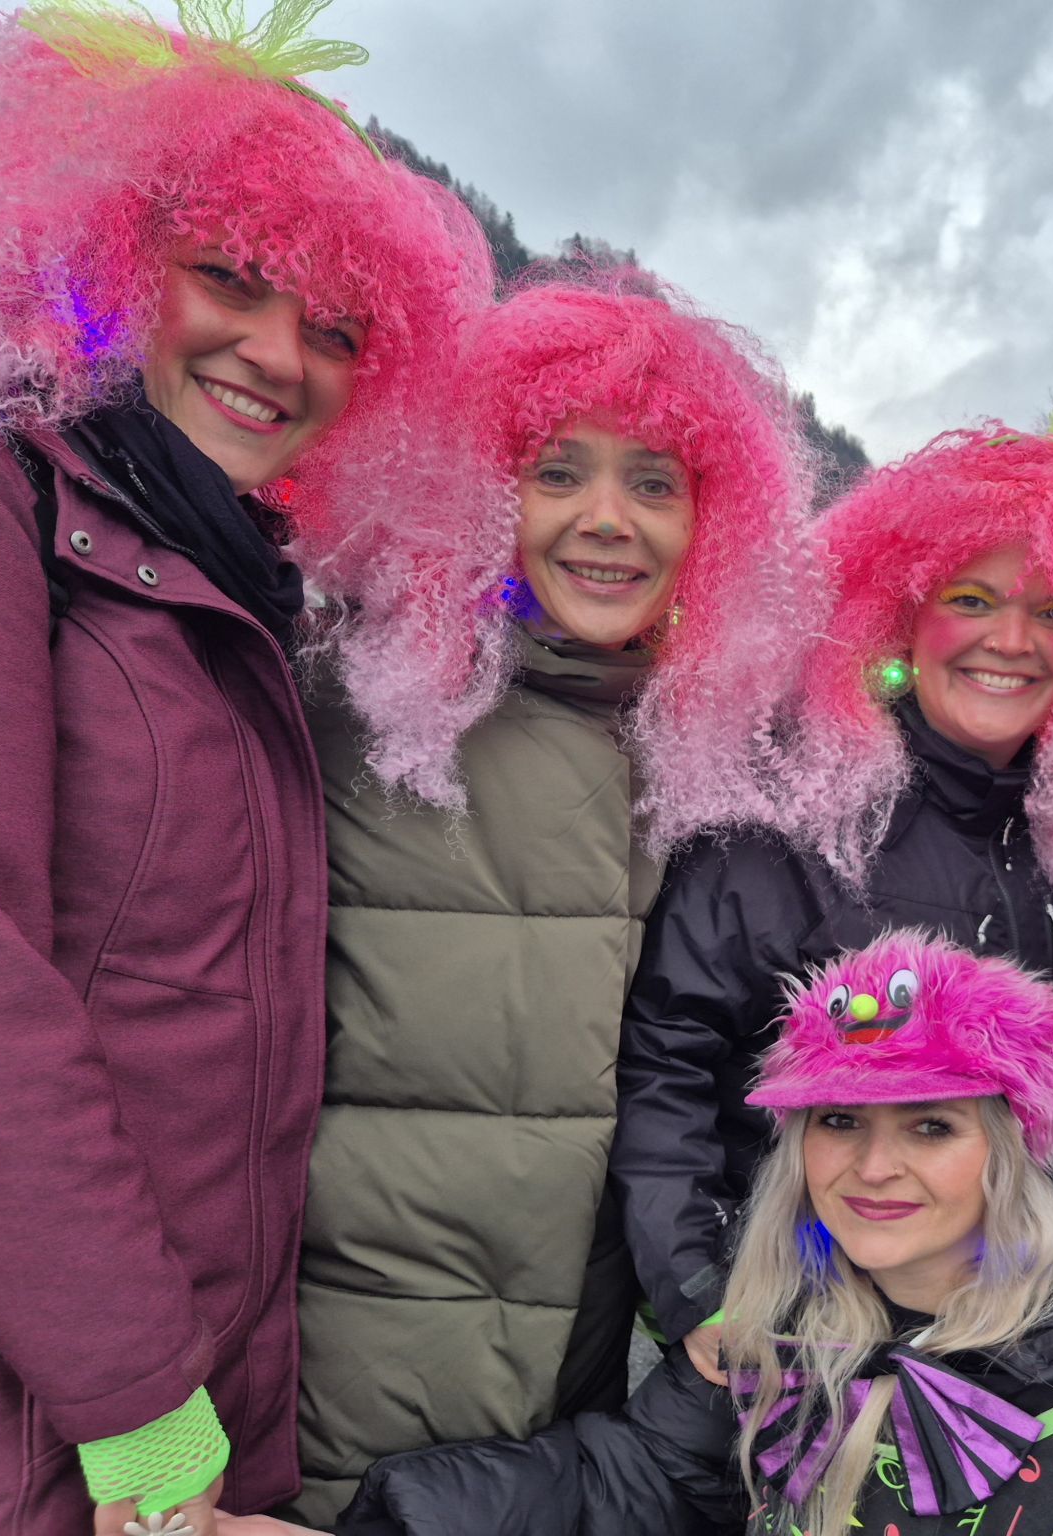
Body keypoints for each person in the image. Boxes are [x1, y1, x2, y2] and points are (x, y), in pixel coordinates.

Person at [0, 6, 492, 1534]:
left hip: (140, 1418)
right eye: (228, 277)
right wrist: (139, 1405)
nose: (278, 354)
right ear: (97, 246)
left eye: (337, 328)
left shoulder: (190, 565)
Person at [283, 272, 815, 1525]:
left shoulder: (690, 753)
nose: (605, 520)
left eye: (654, 483)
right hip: (357, 1353)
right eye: (556, 471)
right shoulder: (360, 702)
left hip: (570, 1368)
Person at [219, 932, 1053, 1536]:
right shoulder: (795, 1306)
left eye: (931, 1127)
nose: (870, 1169)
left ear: (1011, 1152)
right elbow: (639, 1482)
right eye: (838, 1122)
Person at [613, 387, 1053, 1391]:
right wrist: (699, 1287)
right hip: (796, 1325)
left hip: (985, 1328)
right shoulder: (802, 810)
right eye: (972, 599)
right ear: (902, 613)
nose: (1013, 640)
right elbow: (667, 1060)